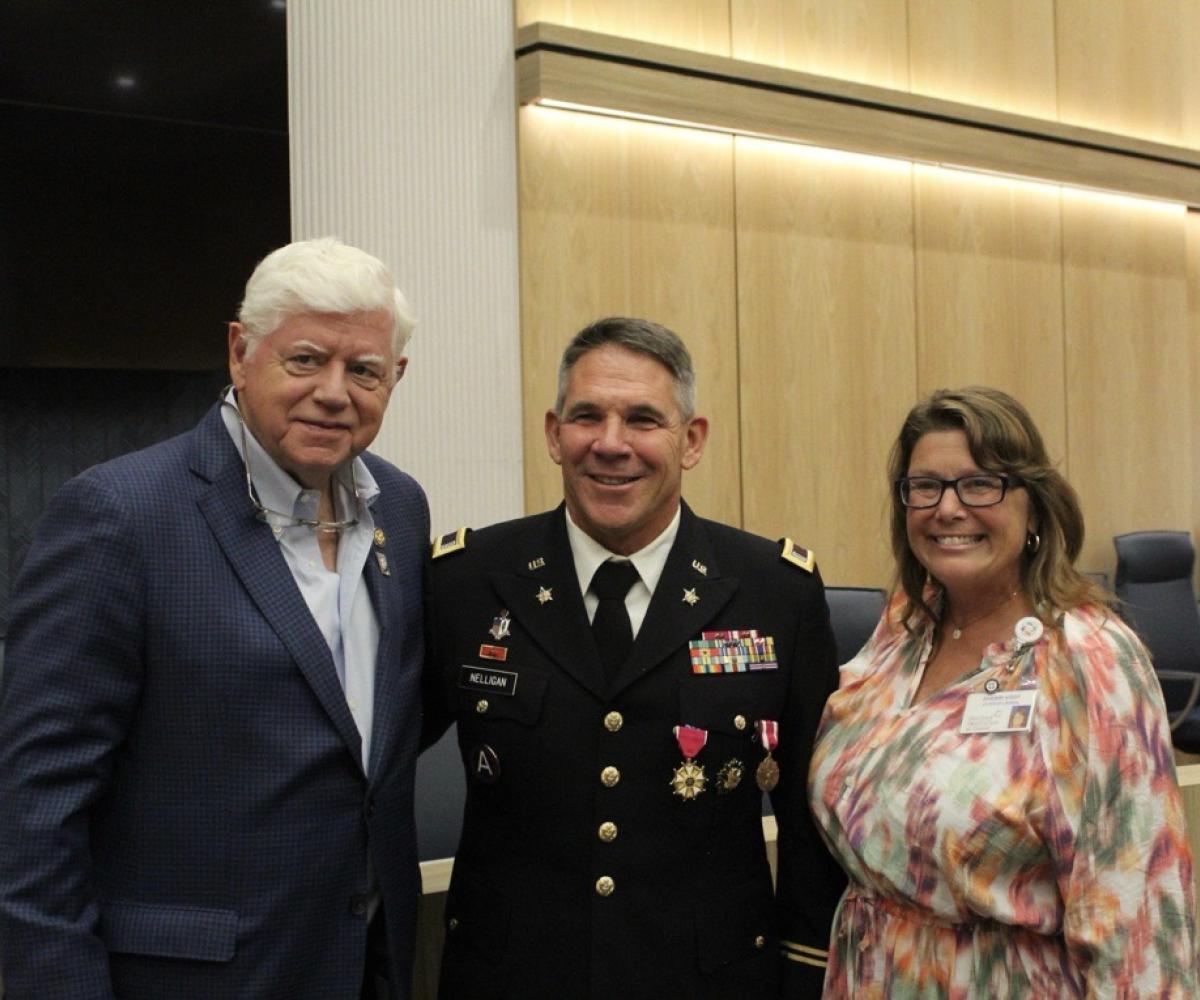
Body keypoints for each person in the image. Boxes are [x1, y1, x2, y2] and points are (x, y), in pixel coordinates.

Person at [0, 238, 430, 999]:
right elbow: (35, 807)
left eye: (363, 370)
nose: (335, 392)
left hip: (364, 965)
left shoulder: (401, 505)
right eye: (305, 360)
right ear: (240, 352)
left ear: (393, 378)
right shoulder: (120, 517)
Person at [424, 317, 845, 998]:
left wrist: (807, 971)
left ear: (692, 440)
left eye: (643, 419)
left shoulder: (773, 589)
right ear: (554, 434)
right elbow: (379, 769)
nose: (611, 444)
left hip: (709, 980)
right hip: (512, 976)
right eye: (587, 416)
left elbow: (809, 818)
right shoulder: (467, 580)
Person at [808, 386, 1198, 997]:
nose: (948, 508)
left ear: (1035, 506)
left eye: (980, 484)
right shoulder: (904, 628)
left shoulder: (1088, 658)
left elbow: (1140, 914)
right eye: (925, 486)